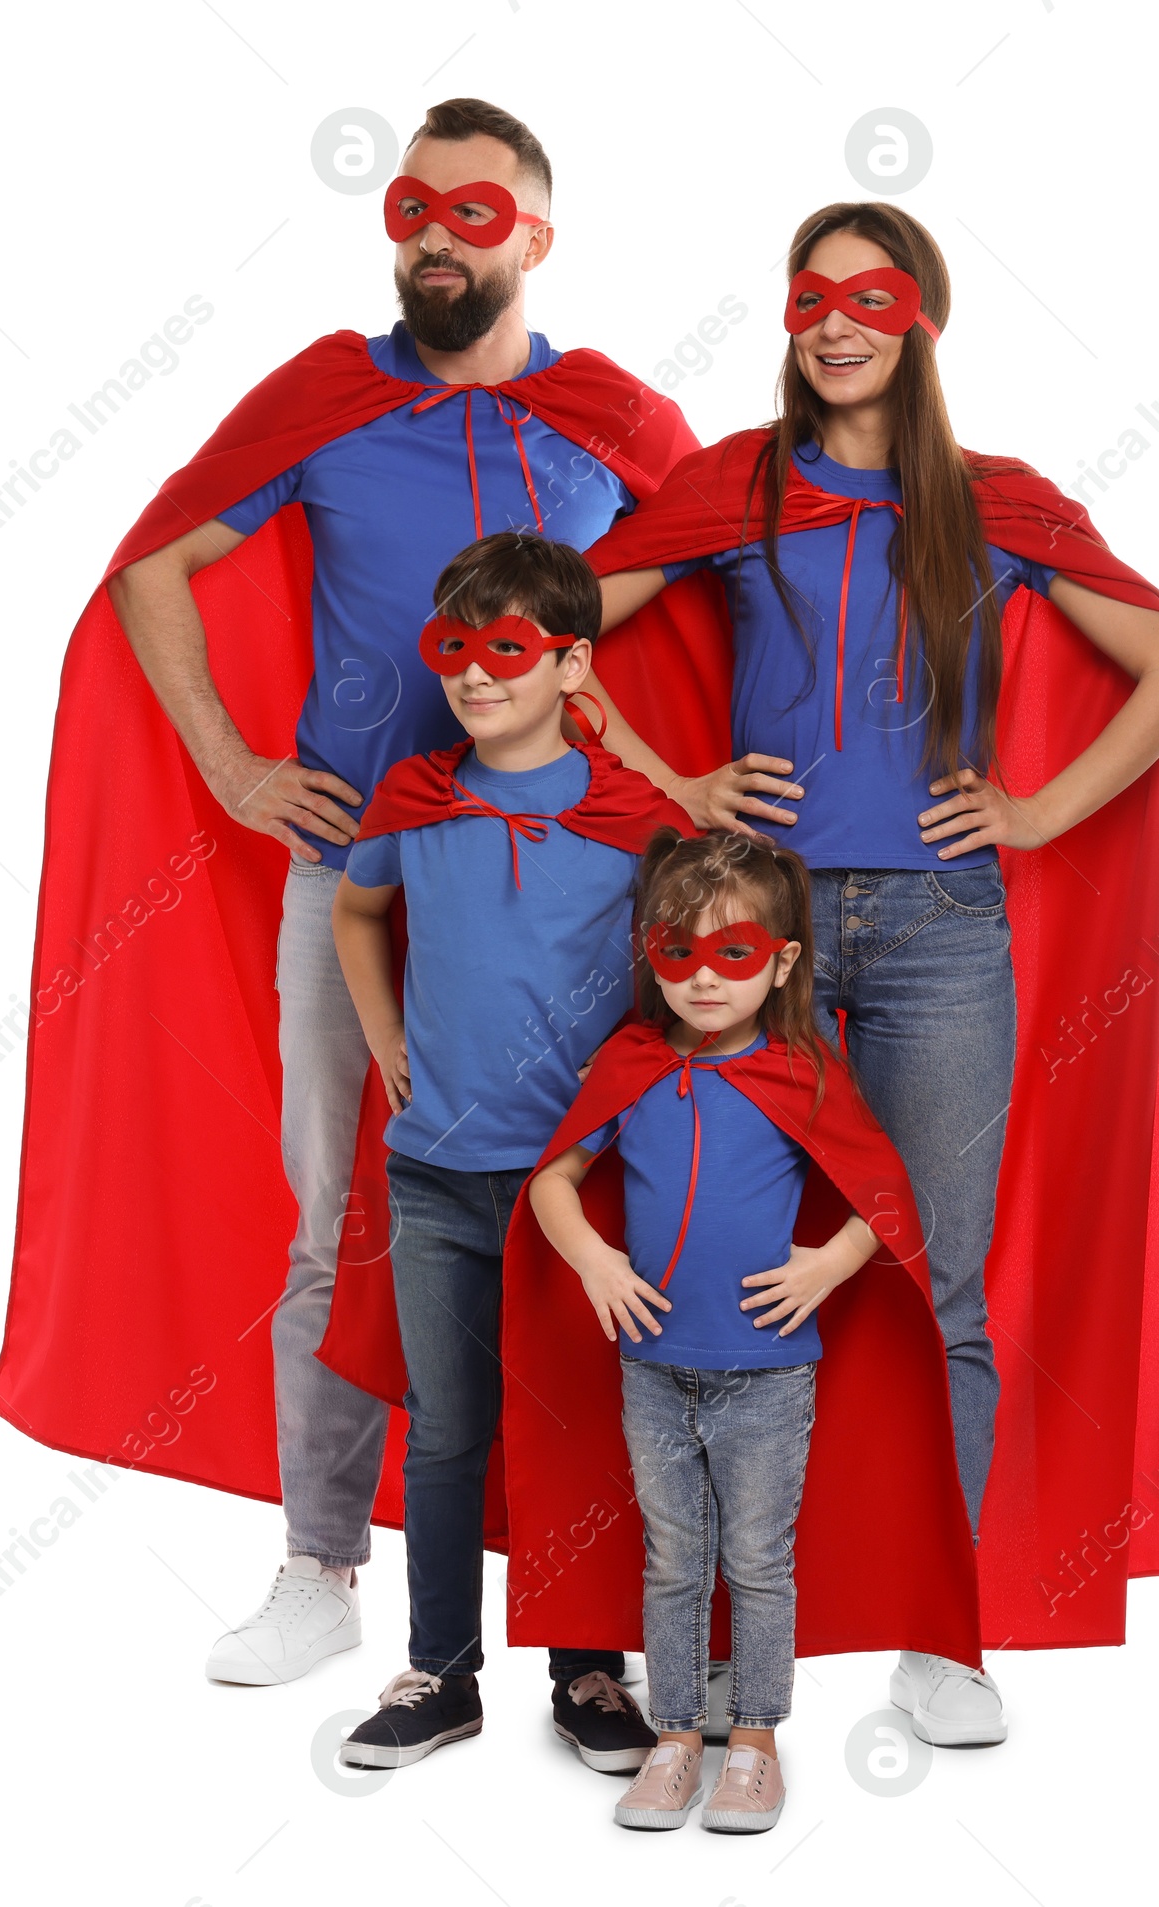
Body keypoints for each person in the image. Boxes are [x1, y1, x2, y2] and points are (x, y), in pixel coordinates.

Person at [0, 99, 697, 1686]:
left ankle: (586, 1618)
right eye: (413, 206)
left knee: (579, 1215)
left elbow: (726, 566)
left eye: (475, 207)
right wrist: (240, 770)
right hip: (355, 877)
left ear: (536, 237)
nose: (438, 233)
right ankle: (320, 1563)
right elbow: (154, 562)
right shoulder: (321, 397)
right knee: (344, 1218)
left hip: (569, 889)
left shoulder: (610, 418)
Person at [567, 200, 1159, 1741]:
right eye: (811, 295)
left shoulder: (997, 503)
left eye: (870, 297)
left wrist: (1033, 810)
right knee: (708, 1249)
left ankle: (941, 1631)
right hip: (758, 940)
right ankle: (727, 1605)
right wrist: (680, 788)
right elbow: (561, 628)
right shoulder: (738, 483)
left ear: (922, 322)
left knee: (936, 1275)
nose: (834, 320)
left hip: (945, 933)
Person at [526, 828, 977, 1829]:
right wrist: (594, 1257)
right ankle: (678, 1737)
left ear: (779, 963)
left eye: (732, 954)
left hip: (769, 1372)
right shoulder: (631, 1061)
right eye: (675, 951)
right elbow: (554, 1176)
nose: (701, 979)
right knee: (672, 1556)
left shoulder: (803, 1070)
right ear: (650, 953)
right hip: (651, 1366)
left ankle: (758, 1745)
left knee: (759, 1562)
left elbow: (888, 1197)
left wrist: (827, 1263)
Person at [329, 533, 692, 1769]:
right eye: (455, 650)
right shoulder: (415, 797)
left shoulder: (626, 816)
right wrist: (384, 1034)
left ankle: (590, 1673)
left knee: (584, 1423)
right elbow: (357, 903)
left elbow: (704, 955)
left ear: (570, 661)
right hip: (433, 1171)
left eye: (508, 650)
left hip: (577, 1189)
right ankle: (440, 1669)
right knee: (445, 1426)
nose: (476, 677)